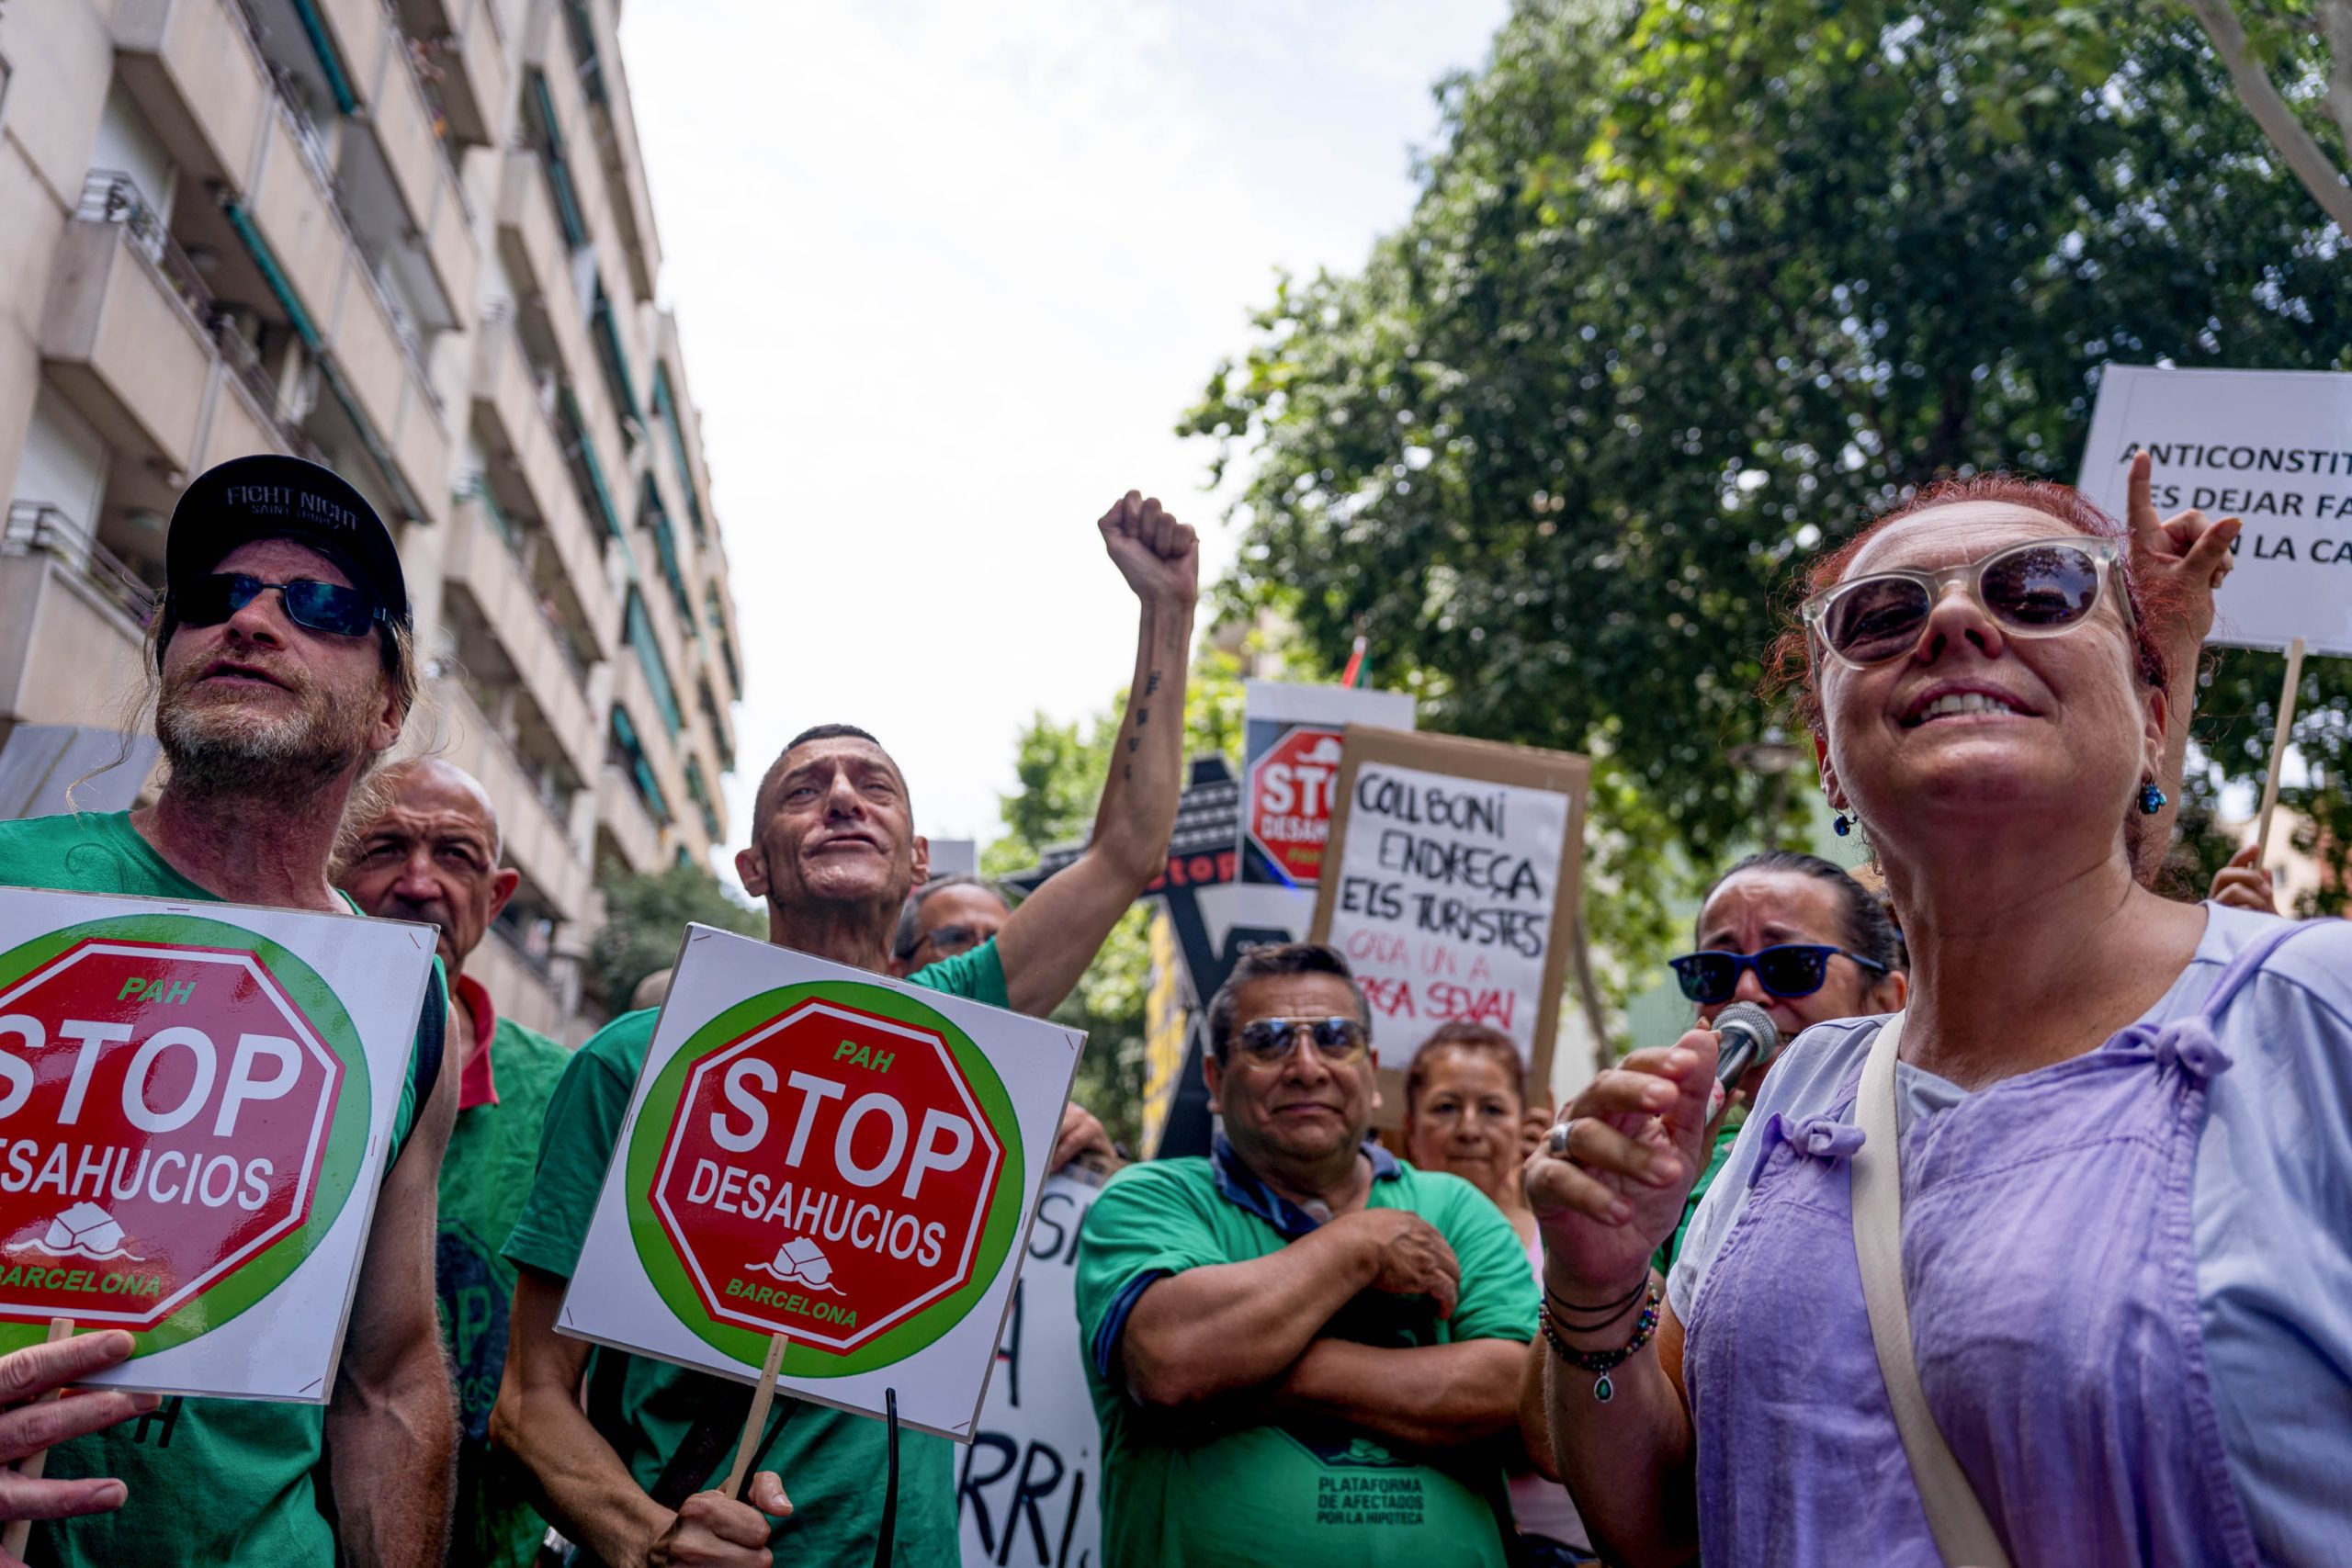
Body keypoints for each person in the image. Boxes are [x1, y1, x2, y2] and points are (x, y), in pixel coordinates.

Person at [1527, 473, 2352, 1564]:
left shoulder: (2314, 1013)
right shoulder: (1807, 1093)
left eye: (2041, 592)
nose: (1956, 621)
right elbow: (1667, 1527)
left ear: (2154, 721)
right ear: (1828, 759)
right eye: (1882, 616)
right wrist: (1595, 1297)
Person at [492, 490, 1197, 1567]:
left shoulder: (961, 1037)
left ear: (916, 861)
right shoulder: (631, 1064)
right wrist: (650, 1540)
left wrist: (1167, 613)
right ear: (752, 867)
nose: (840, 798)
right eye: (803, 790)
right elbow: (531, 1399)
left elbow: (1124, 852)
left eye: (874, 786)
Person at [0, 454, 459, 1564]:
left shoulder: (403, 996)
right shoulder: (14, 883)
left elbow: (389, 1377)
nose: (250, 621)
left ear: (388, 708)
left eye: (321, 606)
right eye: (214, 597)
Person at [1076, 943, 1538, 1567]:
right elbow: (1172, 1360)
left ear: (1370, 1071)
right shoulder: (1154, 1197)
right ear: (1214, 1079)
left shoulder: (1453, 1206)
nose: (1306, 1066)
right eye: (1267, 1041)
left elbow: (1517, 1396)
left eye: (1334, 1037)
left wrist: (1248, 1376)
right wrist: (1358, 1248)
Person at [336, 758, 573, 1568]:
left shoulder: (564, 1093)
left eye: (455, 856)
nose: (418, 883)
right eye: (384, 848)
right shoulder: (267, 1059)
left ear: (497, 897)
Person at [1656, 851, 1907, 1269]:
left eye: (1791, 966)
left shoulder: (1931, 1150)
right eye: (1714, 970)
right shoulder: (1677, 1168)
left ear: (1886, 1001)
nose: (1745, 991)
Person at [1400, 1021, 1592, 1567]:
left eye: (1491, 1109)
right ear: (1410, 1128)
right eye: (1445, 1108)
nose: (1469, 1129)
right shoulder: (1376, 1237)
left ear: (1524, 1122)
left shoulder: (1569, 1235)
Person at [893, 874, 1122, 1175]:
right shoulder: (863, 1079)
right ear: (897, 973)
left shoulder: (1052, 1124)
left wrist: (1097, 1171)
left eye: (1000, 943)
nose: (981, 954)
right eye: (954, 938)